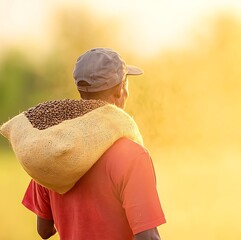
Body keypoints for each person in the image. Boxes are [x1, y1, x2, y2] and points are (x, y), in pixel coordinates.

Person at [21, 48, 166, 239]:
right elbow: (147, 237)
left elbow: (44, 229)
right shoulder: (132, 156)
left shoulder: (53, 149)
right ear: (120, 89)